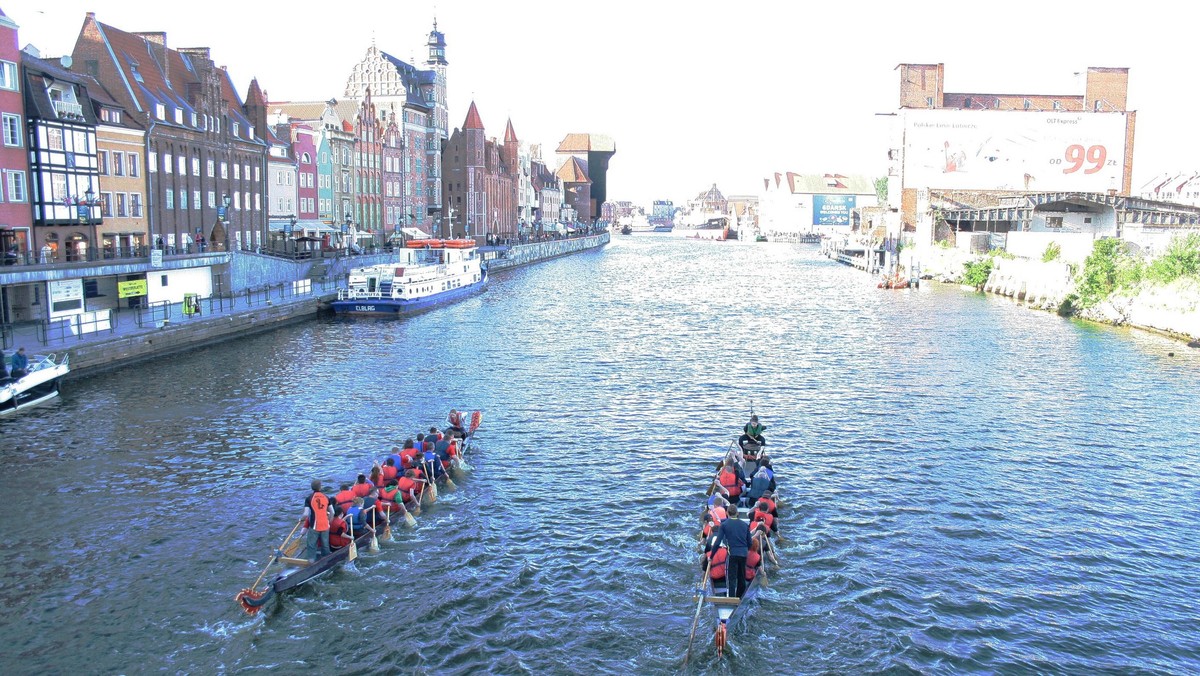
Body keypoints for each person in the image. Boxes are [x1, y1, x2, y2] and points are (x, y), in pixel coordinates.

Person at [712, 504, 752, 597]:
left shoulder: (724, 525)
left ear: (726, 513)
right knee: (741, 577)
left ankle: (731, 598)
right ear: (737, 513)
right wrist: (746, 551)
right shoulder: (745, 525)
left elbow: (717, 542)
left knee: (732, 578)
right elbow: (749, 542)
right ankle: (740, 597)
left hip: (732, 554)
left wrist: (711, 556)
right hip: (743, 553)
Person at [301, 480, 333, 561]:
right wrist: (329, 522)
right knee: (325, 544)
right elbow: (332, 512)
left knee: (311, 545)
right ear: (320, 487)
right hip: (325, 525)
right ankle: (326, 559)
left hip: (314, 526)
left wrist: (301, 519)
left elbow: (306, 514)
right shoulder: (326, 497)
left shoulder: (309, 498)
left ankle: (311, 561)